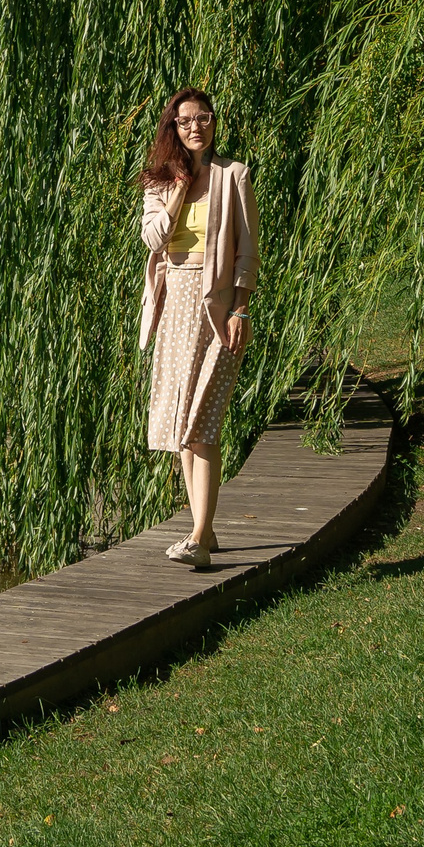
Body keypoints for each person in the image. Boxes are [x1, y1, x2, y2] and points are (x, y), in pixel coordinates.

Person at [138, 87, 258, 568]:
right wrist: (181, 190)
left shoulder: (234, 176)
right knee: (181, 427)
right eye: (185, 120)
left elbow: (247, 252)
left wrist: (240, 310)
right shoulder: (158, 180)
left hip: (217, 308)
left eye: (203, 118)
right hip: (173, 307)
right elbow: (152, 238)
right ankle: (201, 535)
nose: (195, 127)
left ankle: (200, 534)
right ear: (173, 126)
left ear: (213, 123)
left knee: (203, 423)